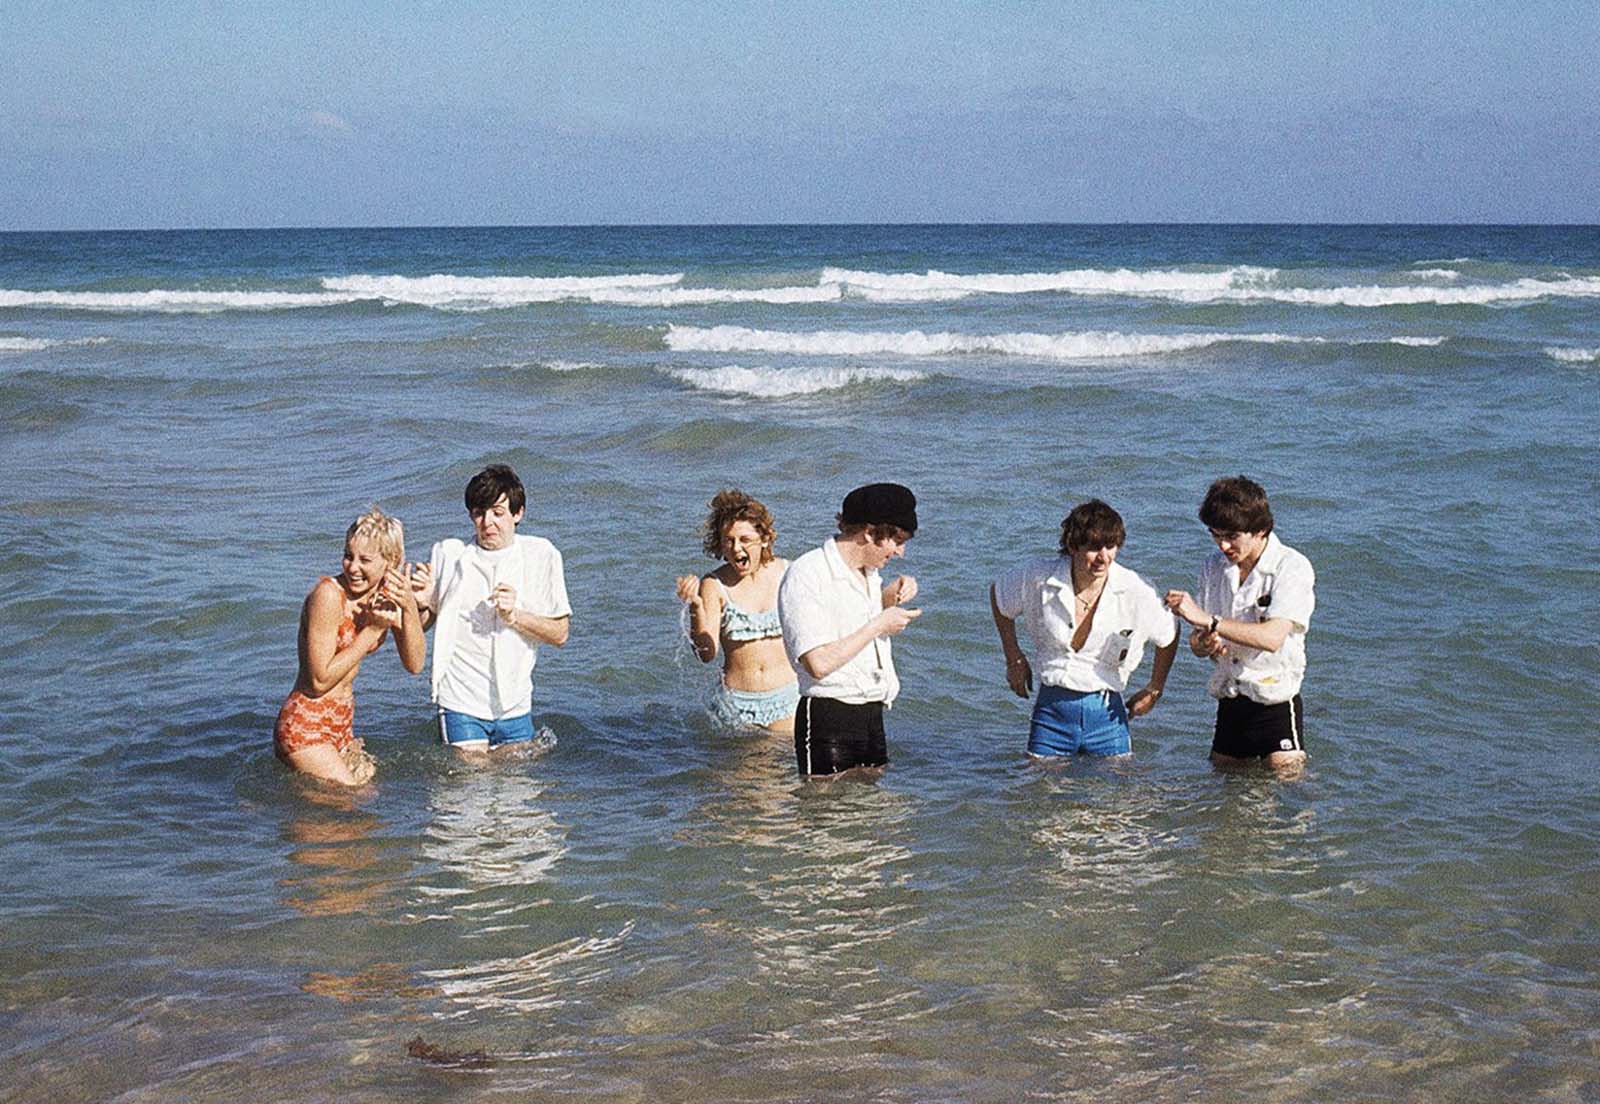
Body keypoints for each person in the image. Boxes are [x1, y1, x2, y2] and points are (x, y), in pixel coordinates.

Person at [990, 499, 1177, 758]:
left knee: (1115, 795)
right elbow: (1000, 598)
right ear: (1072, 545)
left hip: (1108, 715)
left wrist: (1155, 688)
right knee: (1039, 794)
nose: (1103, 557)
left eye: (1110, 547)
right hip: (1052, 713)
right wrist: (1014, 658)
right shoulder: (1039, 577)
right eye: (1093, 548)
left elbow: (1168, 633)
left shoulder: (1136, 589)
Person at [412, 464, 570, 754]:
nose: (487, 523)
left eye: (498, 513)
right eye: (479, 513)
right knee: (467, 789)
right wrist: (419, 603)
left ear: (518, 513)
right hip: (460, 699)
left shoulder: (541, 555)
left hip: (514, 703)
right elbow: (422, 625)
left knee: (516, 791)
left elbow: (560, 634)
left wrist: (514, 616)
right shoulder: (449, 554)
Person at [1164, 476, 1316, 773]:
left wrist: (1211, 621)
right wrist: (1204, 642)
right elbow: (1198, 643)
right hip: (1230, 698)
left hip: (1275, 700)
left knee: (1290, 797)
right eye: (1215, 535)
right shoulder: (1213, 566)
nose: (1222, 545)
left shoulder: (1291, 567)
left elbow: (1273, 637)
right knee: (1225, 801)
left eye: (1232, 536)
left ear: (1261, 530)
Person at [777, 483, 921, 778]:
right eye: (897, 540)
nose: (901, 552)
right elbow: (817, 663)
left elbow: (847, 627)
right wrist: (880, 624)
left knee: (870, 815)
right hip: (827, 715)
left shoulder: (868, 575)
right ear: (870, 532)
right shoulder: (807, 573)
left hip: (871, 710)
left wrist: (887, 598)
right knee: (823, 814)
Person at [275, 507, 426, 785]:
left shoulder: (385, 596)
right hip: (305, 724)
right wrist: (371, 632)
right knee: (354, 800)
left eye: (365, 560)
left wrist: (408, 605)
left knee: (354, 817)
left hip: (342, 724)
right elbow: (318, 681)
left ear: (390, 562)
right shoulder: (329, 596)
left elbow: (415, 664)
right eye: (348, 556)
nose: (353, 568)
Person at [676, 489, 798, 733]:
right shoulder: (714, 584)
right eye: (728, 540)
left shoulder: (789, 573)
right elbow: (706, 654)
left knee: (788, 770)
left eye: (744, 540)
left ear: (764, 539)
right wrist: (695, 606)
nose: (736, 548)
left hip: (790, 700)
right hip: (736, 706)